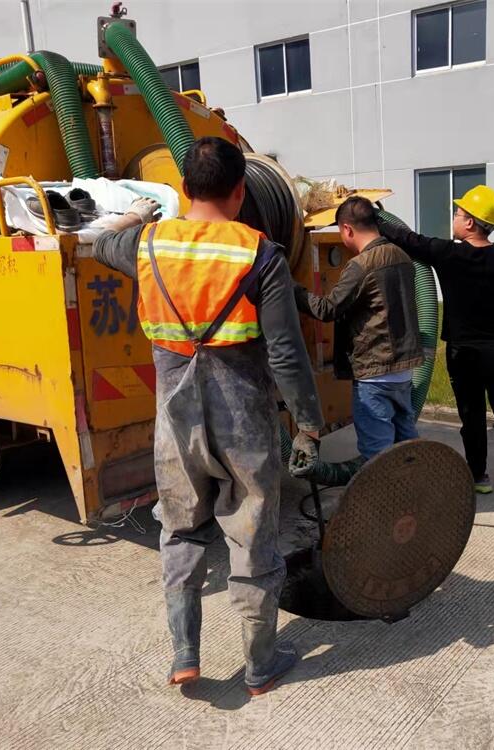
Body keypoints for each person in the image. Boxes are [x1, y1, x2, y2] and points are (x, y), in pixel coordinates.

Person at [92, 136, 325, 696]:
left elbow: (99, 245)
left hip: (176, 423)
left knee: (181, 531)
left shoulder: (148, 245)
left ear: (183, 190)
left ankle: (185, 656)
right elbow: (286, 353)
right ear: (241, 191)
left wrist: (133, 214)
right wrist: (310, 423)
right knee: (252, 538)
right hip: (244, 422)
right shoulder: (259, 253)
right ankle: (260, 664)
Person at [375, 185, 494, 493]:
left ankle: (478, 475)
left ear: (470, 223)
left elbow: (407, 239)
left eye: (458, 213)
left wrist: (376, 215)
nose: (453, 217)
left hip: (461, 352)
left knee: (472, 414)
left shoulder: (446, 253)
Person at [294, 196, 423, 461]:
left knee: (377, 455)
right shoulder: (402, 256)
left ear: (347, 230)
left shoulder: (361, 265)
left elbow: (327, 309)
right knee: (406, 447)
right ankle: (411, 497)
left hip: (374, 374)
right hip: (403, 370)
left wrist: (290, 287)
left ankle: (380, 501)